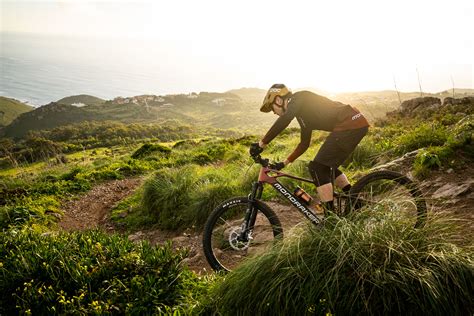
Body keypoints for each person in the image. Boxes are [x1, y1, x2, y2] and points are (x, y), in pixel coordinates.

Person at [250, 84, 369, 211]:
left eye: (272, 108)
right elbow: (304, 144)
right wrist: (283, 163)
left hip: (350, 124)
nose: (273, 112)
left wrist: (261, 143)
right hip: (353, 124)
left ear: (278, 100)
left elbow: (286, 118)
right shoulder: (303, 116)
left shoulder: (299, 97)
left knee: (317, 168)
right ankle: (356, 202)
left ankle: (331, 218)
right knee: (325, 167)